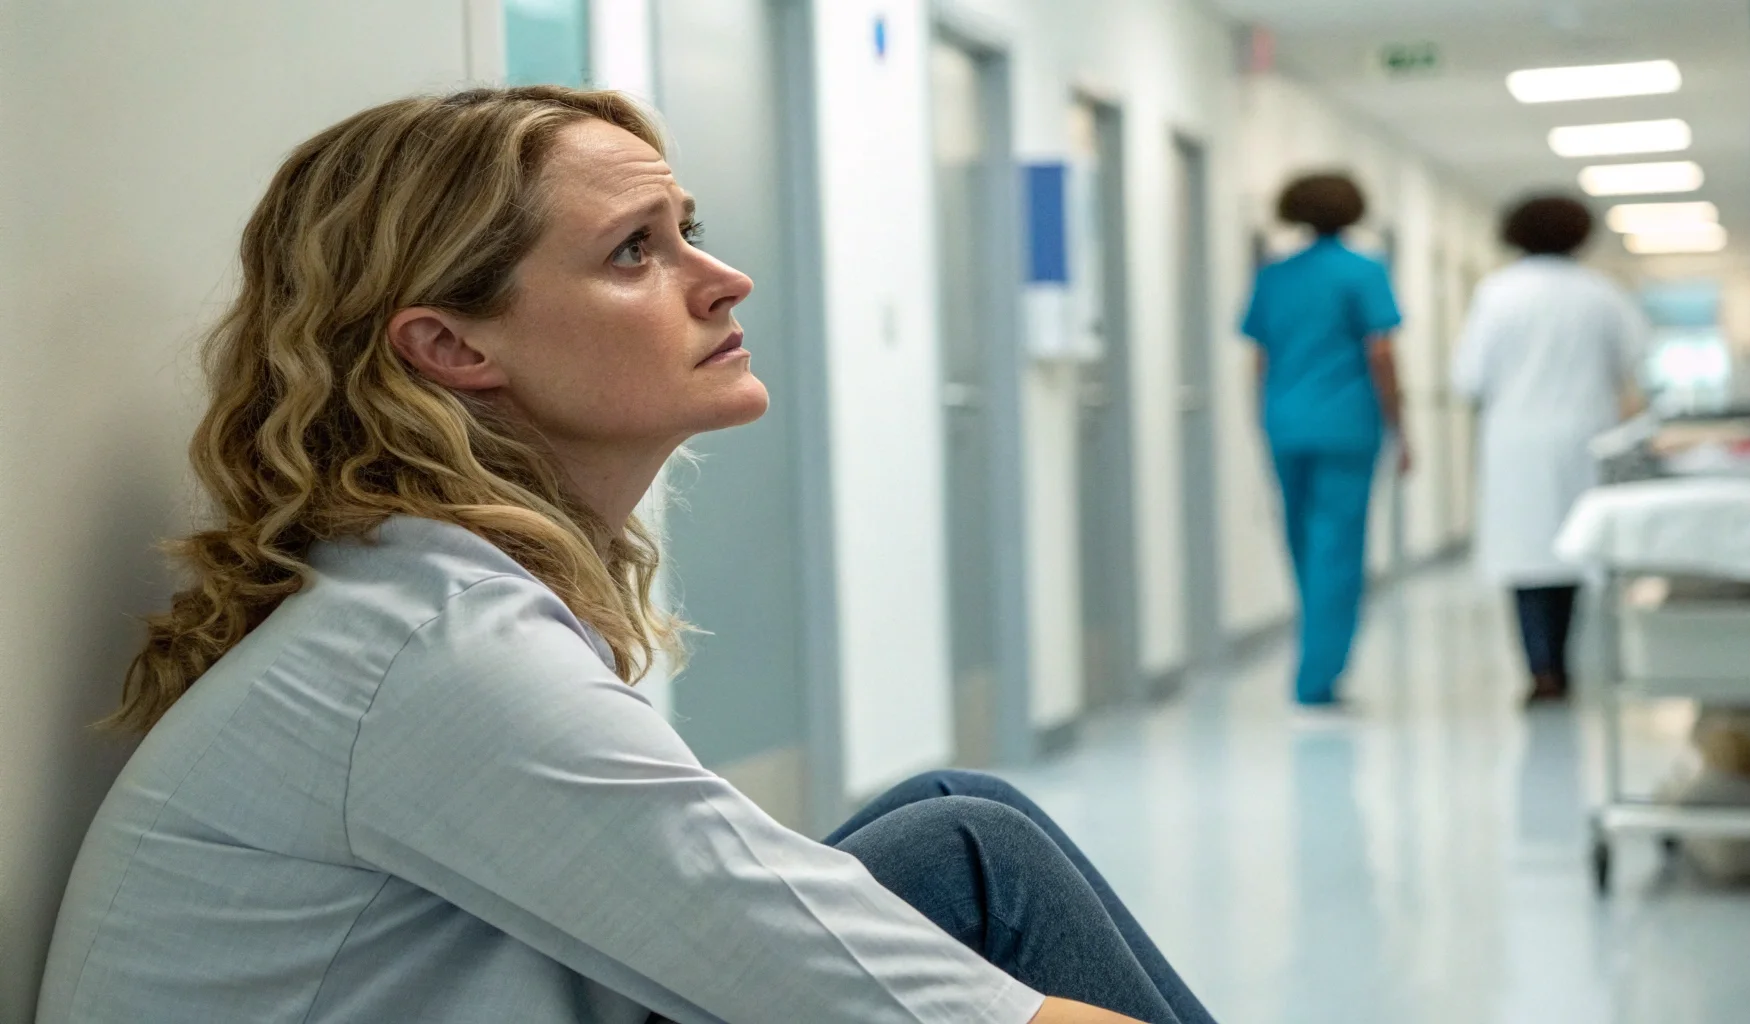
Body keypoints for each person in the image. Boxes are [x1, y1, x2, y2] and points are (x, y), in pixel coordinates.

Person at [35, 88, 1216, 1024]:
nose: (723, 278)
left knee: (951, 823)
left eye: (684, 231)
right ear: (450, 345)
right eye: (633, 252)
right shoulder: (441, 659)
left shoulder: (421, 598)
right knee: (975, 857)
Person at [1451, 193, 1647, 705]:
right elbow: (1634, 359)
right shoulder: (1601, 293)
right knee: (1576, 551)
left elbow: (1468, 376)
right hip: (1585, 432)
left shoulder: (1497, 294)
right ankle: (1567, 660)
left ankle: (1543, 669)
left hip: (1517, 437)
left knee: (1527, 557)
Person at [1241, 172, 1408, 709]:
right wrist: (1400, 426)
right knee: (1337, 549)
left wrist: (1265, 420)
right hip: (1348, 425)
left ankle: (1315, 664)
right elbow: (1381, 353)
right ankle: (1317, 679)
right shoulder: (1363, 270)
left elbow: (1260, 358)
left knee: (1300, 542)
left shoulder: (1274, 276)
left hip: (1286, 423)